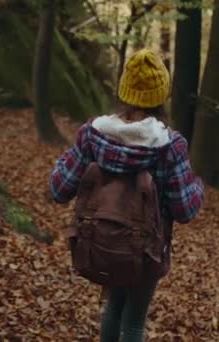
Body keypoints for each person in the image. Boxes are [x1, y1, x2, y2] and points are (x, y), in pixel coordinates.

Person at [49, 49, 204, 342]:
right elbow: (185, 210)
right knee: (133, 323)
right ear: (161, 97)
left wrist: (64, 163)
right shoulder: (171, 146)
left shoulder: (93, 134)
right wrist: (197, 186)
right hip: (145, 251)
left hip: (101, 240)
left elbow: (58, 189)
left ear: (123, 91)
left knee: (113, 309)